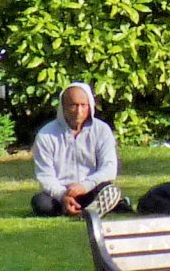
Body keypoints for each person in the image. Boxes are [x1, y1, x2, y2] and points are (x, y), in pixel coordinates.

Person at [29, 82, 124, 218]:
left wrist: (84, 186)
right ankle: (82, 209)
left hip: (91, 189)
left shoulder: (101, 130)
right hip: (61, 194)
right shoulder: (46, 135)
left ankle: (90, 210)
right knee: (41, 203)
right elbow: (45, 175)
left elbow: (109, 168)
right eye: (73, 105)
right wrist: (63, 195)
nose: (79, 111)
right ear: (63, 107)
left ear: (90, 106)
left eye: (83, 105)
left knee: (110, 190)